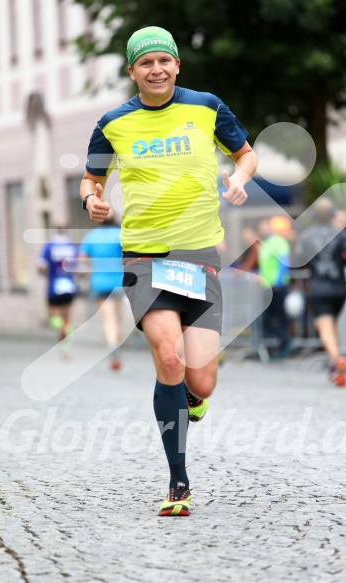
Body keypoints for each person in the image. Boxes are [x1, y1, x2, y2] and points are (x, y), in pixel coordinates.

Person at [79, 26, 257, 516]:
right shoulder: (114, 122)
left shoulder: (205, 106)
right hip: (144, 257)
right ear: (132, 71)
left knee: (201, 382)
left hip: (199, 257)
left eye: (164, 60)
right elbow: (90, 179)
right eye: (145, 63)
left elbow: (246, 153)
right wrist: (93, 199)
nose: (155, 69)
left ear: (176, 65)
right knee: (169, 359)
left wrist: (239, 179)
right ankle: (178, 482)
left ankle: (193, 401)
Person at [295, 199, 346, 386]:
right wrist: (343, 263)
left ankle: (337, 358)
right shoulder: (342, 235)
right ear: (332, 214)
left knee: (324, 327)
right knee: (332, 326)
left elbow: (299, 259)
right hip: (339, 287)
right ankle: (336, 369)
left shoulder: (306, 236)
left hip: (319, 286)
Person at [79, 215, 124, 371]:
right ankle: (116, 344)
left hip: (99, 283)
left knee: (108, 319)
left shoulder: (91, 237)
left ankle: (112, 345)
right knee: (117, 318)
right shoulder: (119, 235)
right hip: (119, 282)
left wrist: (84, 274)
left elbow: (81, 261)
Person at [38, 222, 78, 357]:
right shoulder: (72, 246)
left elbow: (41, 266)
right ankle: (65, 350)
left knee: (52, 318)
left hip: (54, 286)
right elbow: (78, 267)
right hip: (69, 286)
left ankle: (61, 327)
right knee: (67, 317)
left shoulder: (49, 246)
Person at [256, 217, 292, 359]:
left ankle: (285, 343)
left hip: (277, 286)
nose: (262, 229)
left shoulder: (278, 241)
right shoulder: (265, 243)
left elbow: (284, 263)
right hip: (267, 286)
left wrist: (277, 282)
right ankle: (271, 348)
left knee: (277, 317)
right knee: (268, 318)